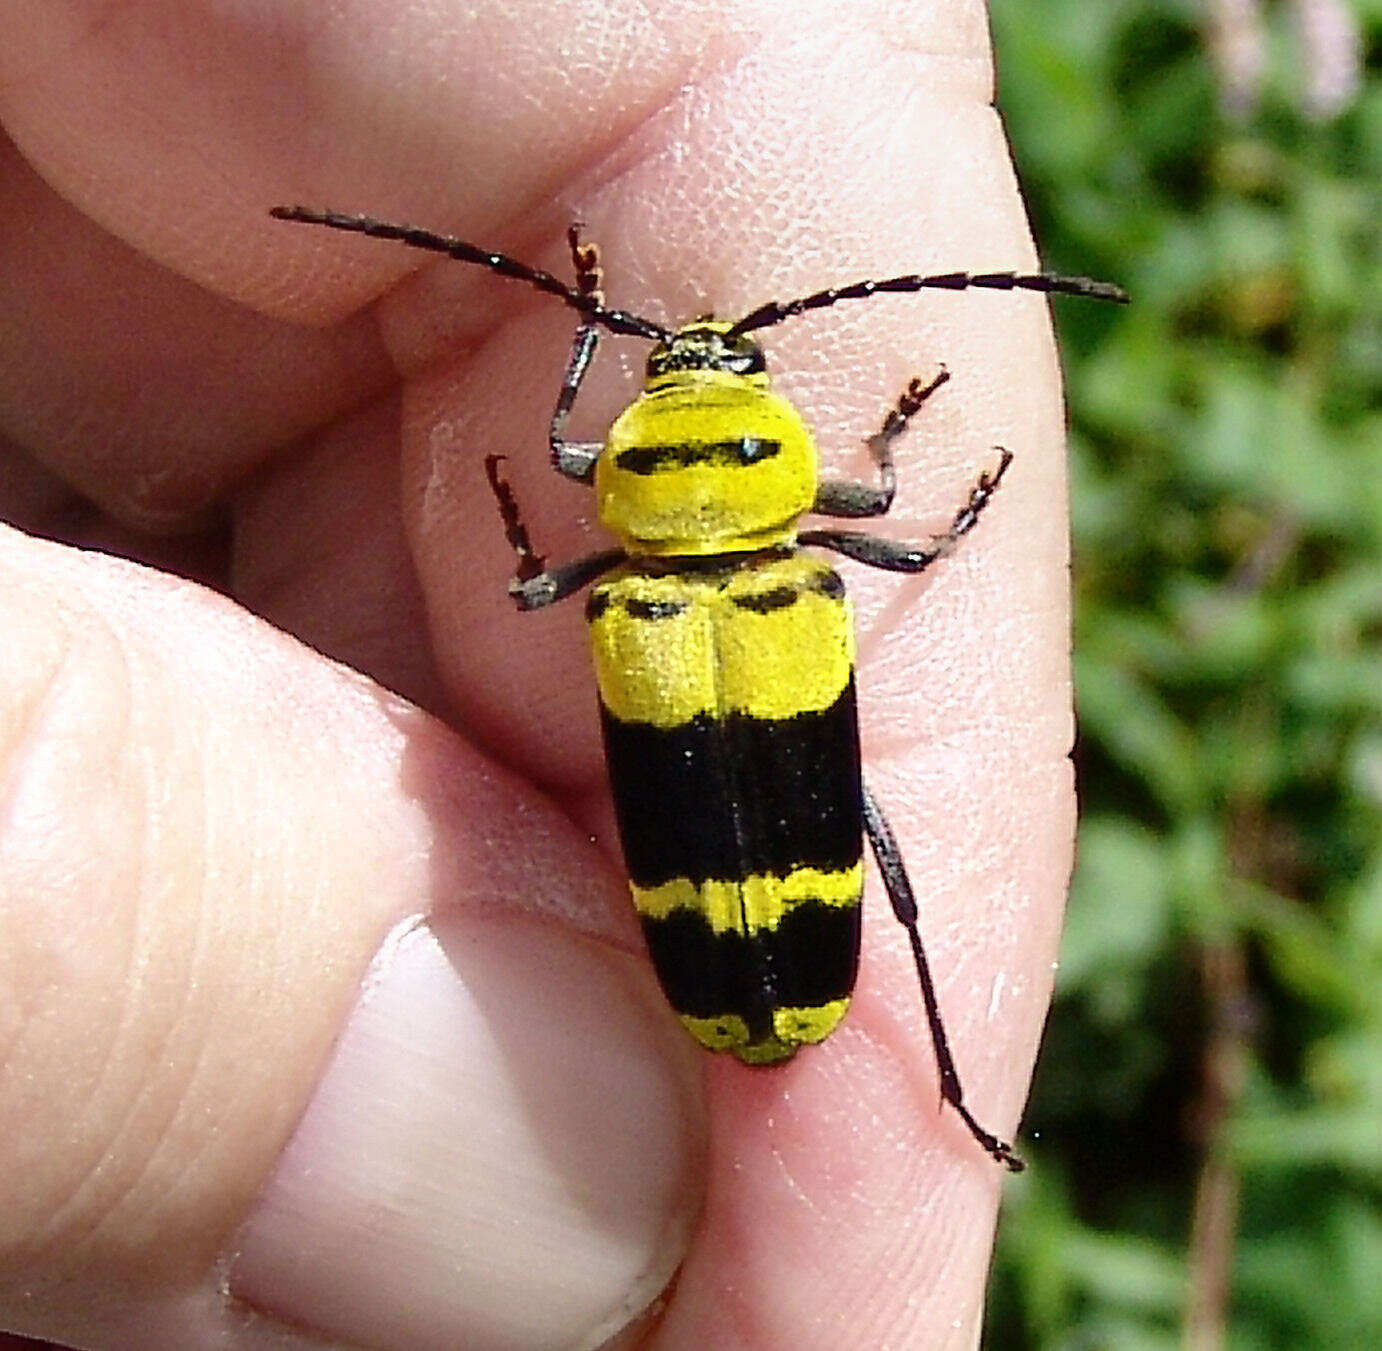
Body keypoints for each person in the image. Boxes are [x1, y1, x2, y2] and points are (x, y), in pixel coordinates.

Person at [0, 1, 1078, 1345]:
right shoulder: (814, 557)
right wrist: (918, 469)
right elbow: (879, 507)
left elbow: (560, 477)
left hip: (726, 930)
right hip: (756, 935)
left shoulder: (610, 573)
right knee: (889, 864)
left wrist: (564, 394)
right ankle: (958, 1097)